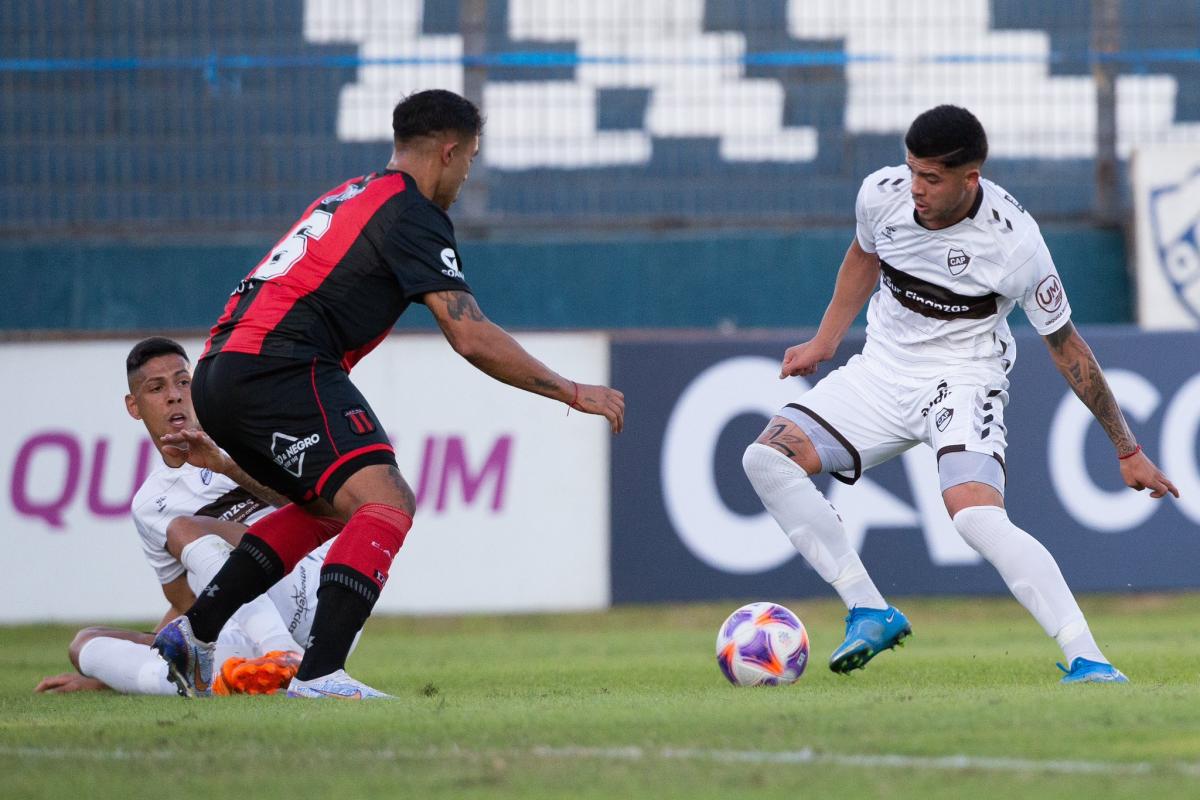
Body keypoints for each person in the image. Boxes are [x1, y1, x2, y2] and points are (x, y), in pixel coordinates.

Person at [153, 89, 625, 700]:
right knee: (387, 501)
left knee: (330, 509)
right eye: (470, 160)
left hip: (222, 369)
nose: (465, 175)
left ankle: (195, 633)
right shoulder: (412, 213)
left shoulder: (353, 192)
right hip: (281, 366)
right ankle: (321, 675)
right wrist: (570, 389)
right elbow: (469, 333)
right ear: (449, 152)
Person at [741, 105, 1178, 684]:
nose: (915, 189)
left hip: (964, 376)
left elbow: (1067, 347)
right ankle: (869, 609)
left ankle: (1088, 657)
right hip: (881, 369)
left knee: (975, 518)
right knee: (767, 460)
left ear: (969, 179)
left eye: (931, 178)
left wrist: (1126, 448)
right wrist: (824, 341)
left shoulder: (1015, 244)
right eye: (911, 170)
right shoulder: (881, 194)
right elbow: (863, 256)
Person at [37, 337, 322, 696]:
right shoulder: (149, 505)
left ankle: (283, 650)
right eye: (156, 388)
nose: (174, 395)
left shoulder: (245, 435)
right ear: (134, 406)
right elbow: (186, 602)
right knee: (85, 644)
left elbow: (315, 508)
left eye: (182, 382)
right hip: (243, 625)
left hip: (311, 594)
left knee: (186, 528)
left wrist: (228, 467)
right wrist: (116, 673)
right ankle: (221, 678)